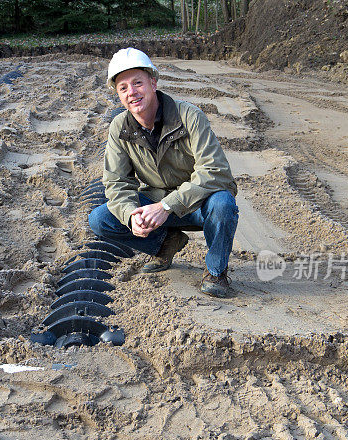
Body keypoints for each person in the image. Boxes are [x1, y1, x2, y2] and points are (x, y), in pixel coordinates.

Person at [88, 48, 239, 297]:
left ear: (153, 82)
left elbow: (215, 171)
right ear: (118, 95)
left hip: (199, 205)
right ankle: (165, 244)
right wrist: (129, 216)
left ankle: (216, 271)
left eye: (137, 83)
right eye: (123, 88)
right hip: (157, 206)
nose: (132, 93)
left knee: (223, 203)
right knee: (100, 219)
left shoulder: (189, 115)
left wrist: (166, 206)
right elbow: (116, 182)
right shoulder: (119, 127)